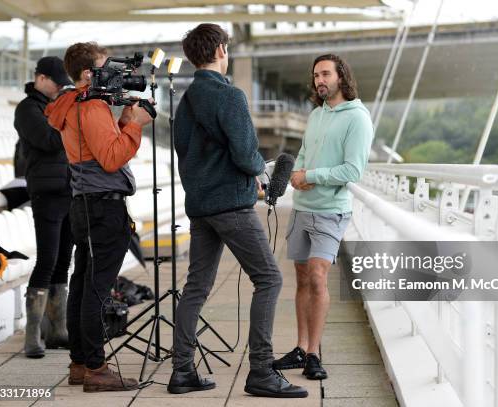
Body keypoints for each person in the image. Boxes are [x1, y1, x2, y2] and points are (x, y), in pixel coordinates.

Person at [168, 23, 307, 398]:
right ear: (221, 50)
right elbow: (246, 156)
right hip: (231, 205)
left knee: (195, 287)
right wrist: (257, 173)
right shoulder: (230, 96)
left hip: (200, 206)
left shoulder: (185, 101)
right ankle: (261, 371)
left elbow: (186, 153)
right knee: (270, 279)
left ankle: (182, 371)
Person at [44, 42, 153, 392]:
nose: (116, 74)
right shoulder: (90, 106)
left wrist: (122, 120)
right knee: (96, 288)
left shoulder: (72, 103)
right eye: (107, 66)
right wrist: (136, 126)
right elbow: (110, 158)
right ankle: (95, 366)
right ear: (90, 73)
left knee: (82, 285)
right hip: (103, 208)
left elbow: (100, 149)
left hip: (86, 205)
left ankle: (80, 363)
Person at [273, 54, 373, 380]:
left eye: (326, 74)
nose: (320, 80)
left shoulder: (357, 117)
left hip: (331, 210)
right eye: (316, 75)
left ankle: (314, 354)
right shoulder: (316, 114)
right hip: (302, 206)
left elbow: (353, 169)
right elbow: (304, 152)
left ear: (341, 77)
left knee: (318, 276)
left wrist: (312, 175)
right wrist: (297, 173)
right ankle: (300, 348)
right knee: (301, 279)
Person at [14, 56, 74, 359]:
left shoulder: (55, 105)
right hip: (47, 193)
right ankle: (33, 334)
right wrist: (70, 121)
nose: (59, 88)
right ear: (40, 78)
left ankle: (58, 330)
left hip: (68, 189)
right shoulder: (27, 109)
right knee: (47, 260)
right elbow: (50, 140)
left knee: (64, 260)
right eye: (55, 82)